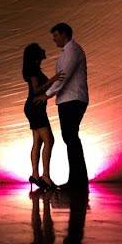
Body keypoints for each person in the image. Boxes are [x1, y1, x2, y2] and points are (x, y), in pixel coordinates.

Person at [32, 23, 89, 190]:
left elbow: (63, 77)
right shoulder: (67, 52)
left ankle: (78, 181)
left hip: (73, 100)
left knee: (71, 138)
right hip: (67, 100)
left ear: (64, 34)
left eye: (55, 35)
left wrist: (46, 95)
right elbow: (61, 78)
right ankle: (78, 180)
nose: (53, 39)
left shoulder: (73, 51)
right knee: (70, 138)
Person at [22, 43, 64, 189]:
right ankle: (45, 176)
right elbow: (36, 90)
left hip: (35, 108)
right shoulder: (33, 70)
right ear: (35, 54)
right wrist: (54, 79)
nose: (44, 49)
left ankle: (35, 175)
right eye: (40, 49)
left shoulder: (34, 69)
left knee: (38, 142)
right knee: (49, 140)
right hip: (35, 108)